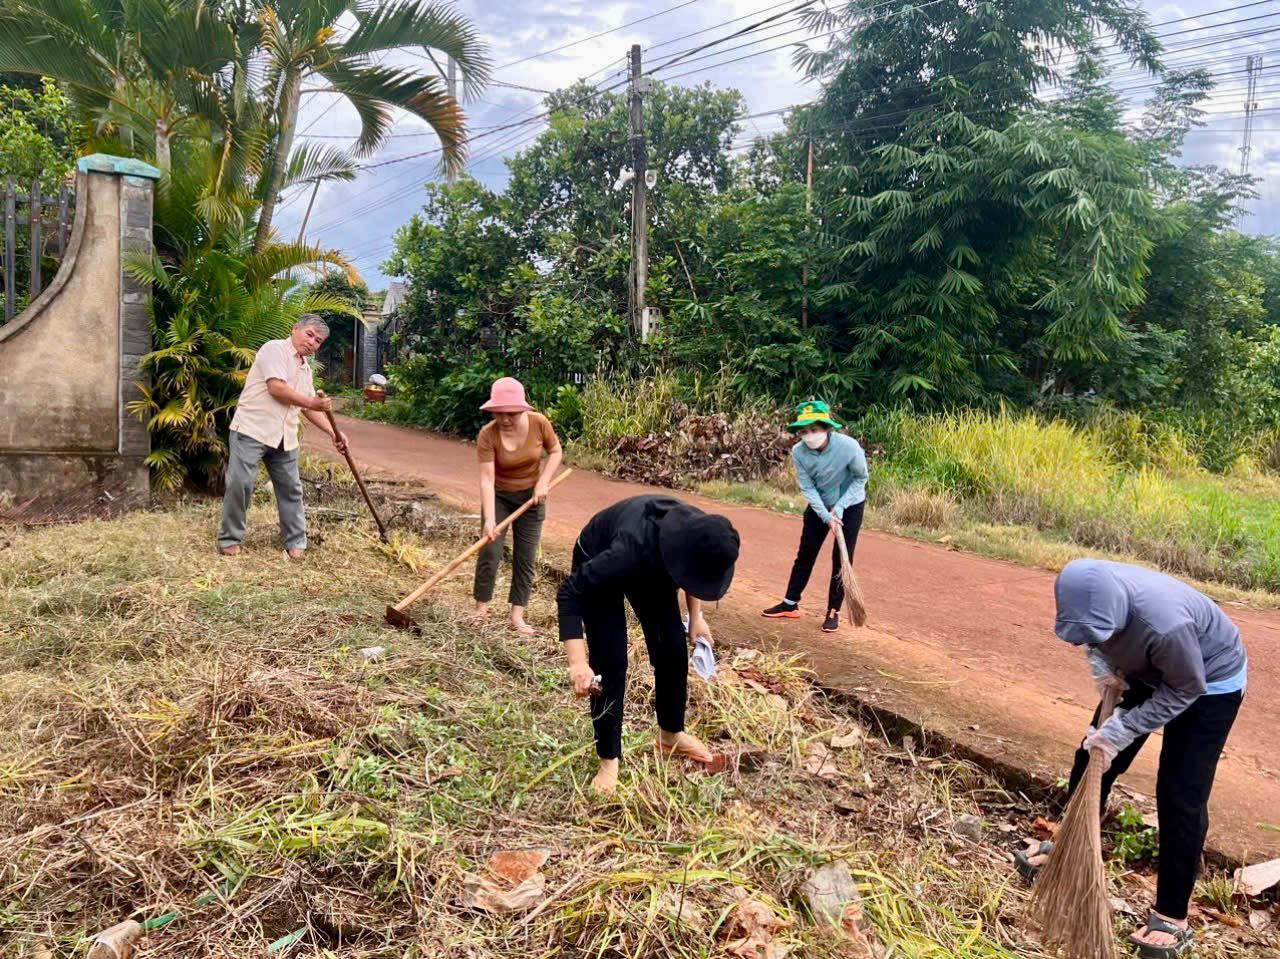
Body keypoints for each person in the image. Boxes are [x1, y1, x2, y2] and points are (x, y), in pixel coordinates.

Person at [1017, 559, 1247, 959]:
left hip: (1207, 683)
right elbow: (1092, 639)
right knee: (1092, 758)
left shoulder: (1165, 626)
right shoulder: (1088, 593)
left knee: (1180, 791)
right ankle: (1068, 847)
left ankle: (1173, 916)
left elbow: (1184, 688)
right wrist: (1105, 667)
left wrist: (1123, 729)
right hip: (1146, 669)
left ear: (1118, 615)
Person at [557, 495, 740, 795]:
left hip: (654, 562)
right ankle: (608, 759)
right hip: (599, 556)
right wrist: (577, 661)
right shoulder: (627, 552)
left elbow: (690, 575)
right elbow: (570, 593)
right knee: (611, 661)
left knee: (671, 647)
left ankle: (670, 734)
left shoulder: (699, 531)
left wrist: (696, 617)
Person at [217, 315, 348, 558]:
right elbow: (276, 388)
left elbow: (308, 408)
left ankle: (296, 542)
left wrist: (334, 432)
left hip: (284, 437)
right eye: (309, 334)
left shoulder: (305, 369)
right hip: (252, 429)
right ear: (295, 329)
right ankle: (229, 539)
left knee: (291, 489)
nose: (312, 343)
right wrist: (311, 401)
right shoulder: (274, 349)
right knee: (241, 484)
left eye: (318, 341)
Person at [761, 400, 868, 632]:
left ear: (827, 428)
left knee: (841, 559)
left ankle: (833, 611)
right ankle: (790, 603)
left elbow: (861, 479)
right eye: (805, 431)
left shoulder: (849, 447)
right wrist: (825, 515)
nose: (810, 435)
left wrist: (839, 508)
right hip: (820, 505)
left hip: (850, 505)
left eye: (815, 429)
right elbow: (808, 487)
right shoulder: (799, 452)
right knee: (806, 553)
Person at [471, 377, 563, 635]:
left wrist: (543, 482)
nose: (505, 419)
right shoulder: (487, 435)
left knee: (526, 556)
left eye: (510, 413)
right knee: (490, 551)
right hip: (499, 497)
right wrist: (490, 519)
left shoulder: (539, 423)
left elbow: (556, 452)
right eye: (499, 414)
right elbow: (487, 479)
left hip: (532, 498)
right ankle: (481, 609)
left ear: (522, 409)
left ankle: (517, 615)